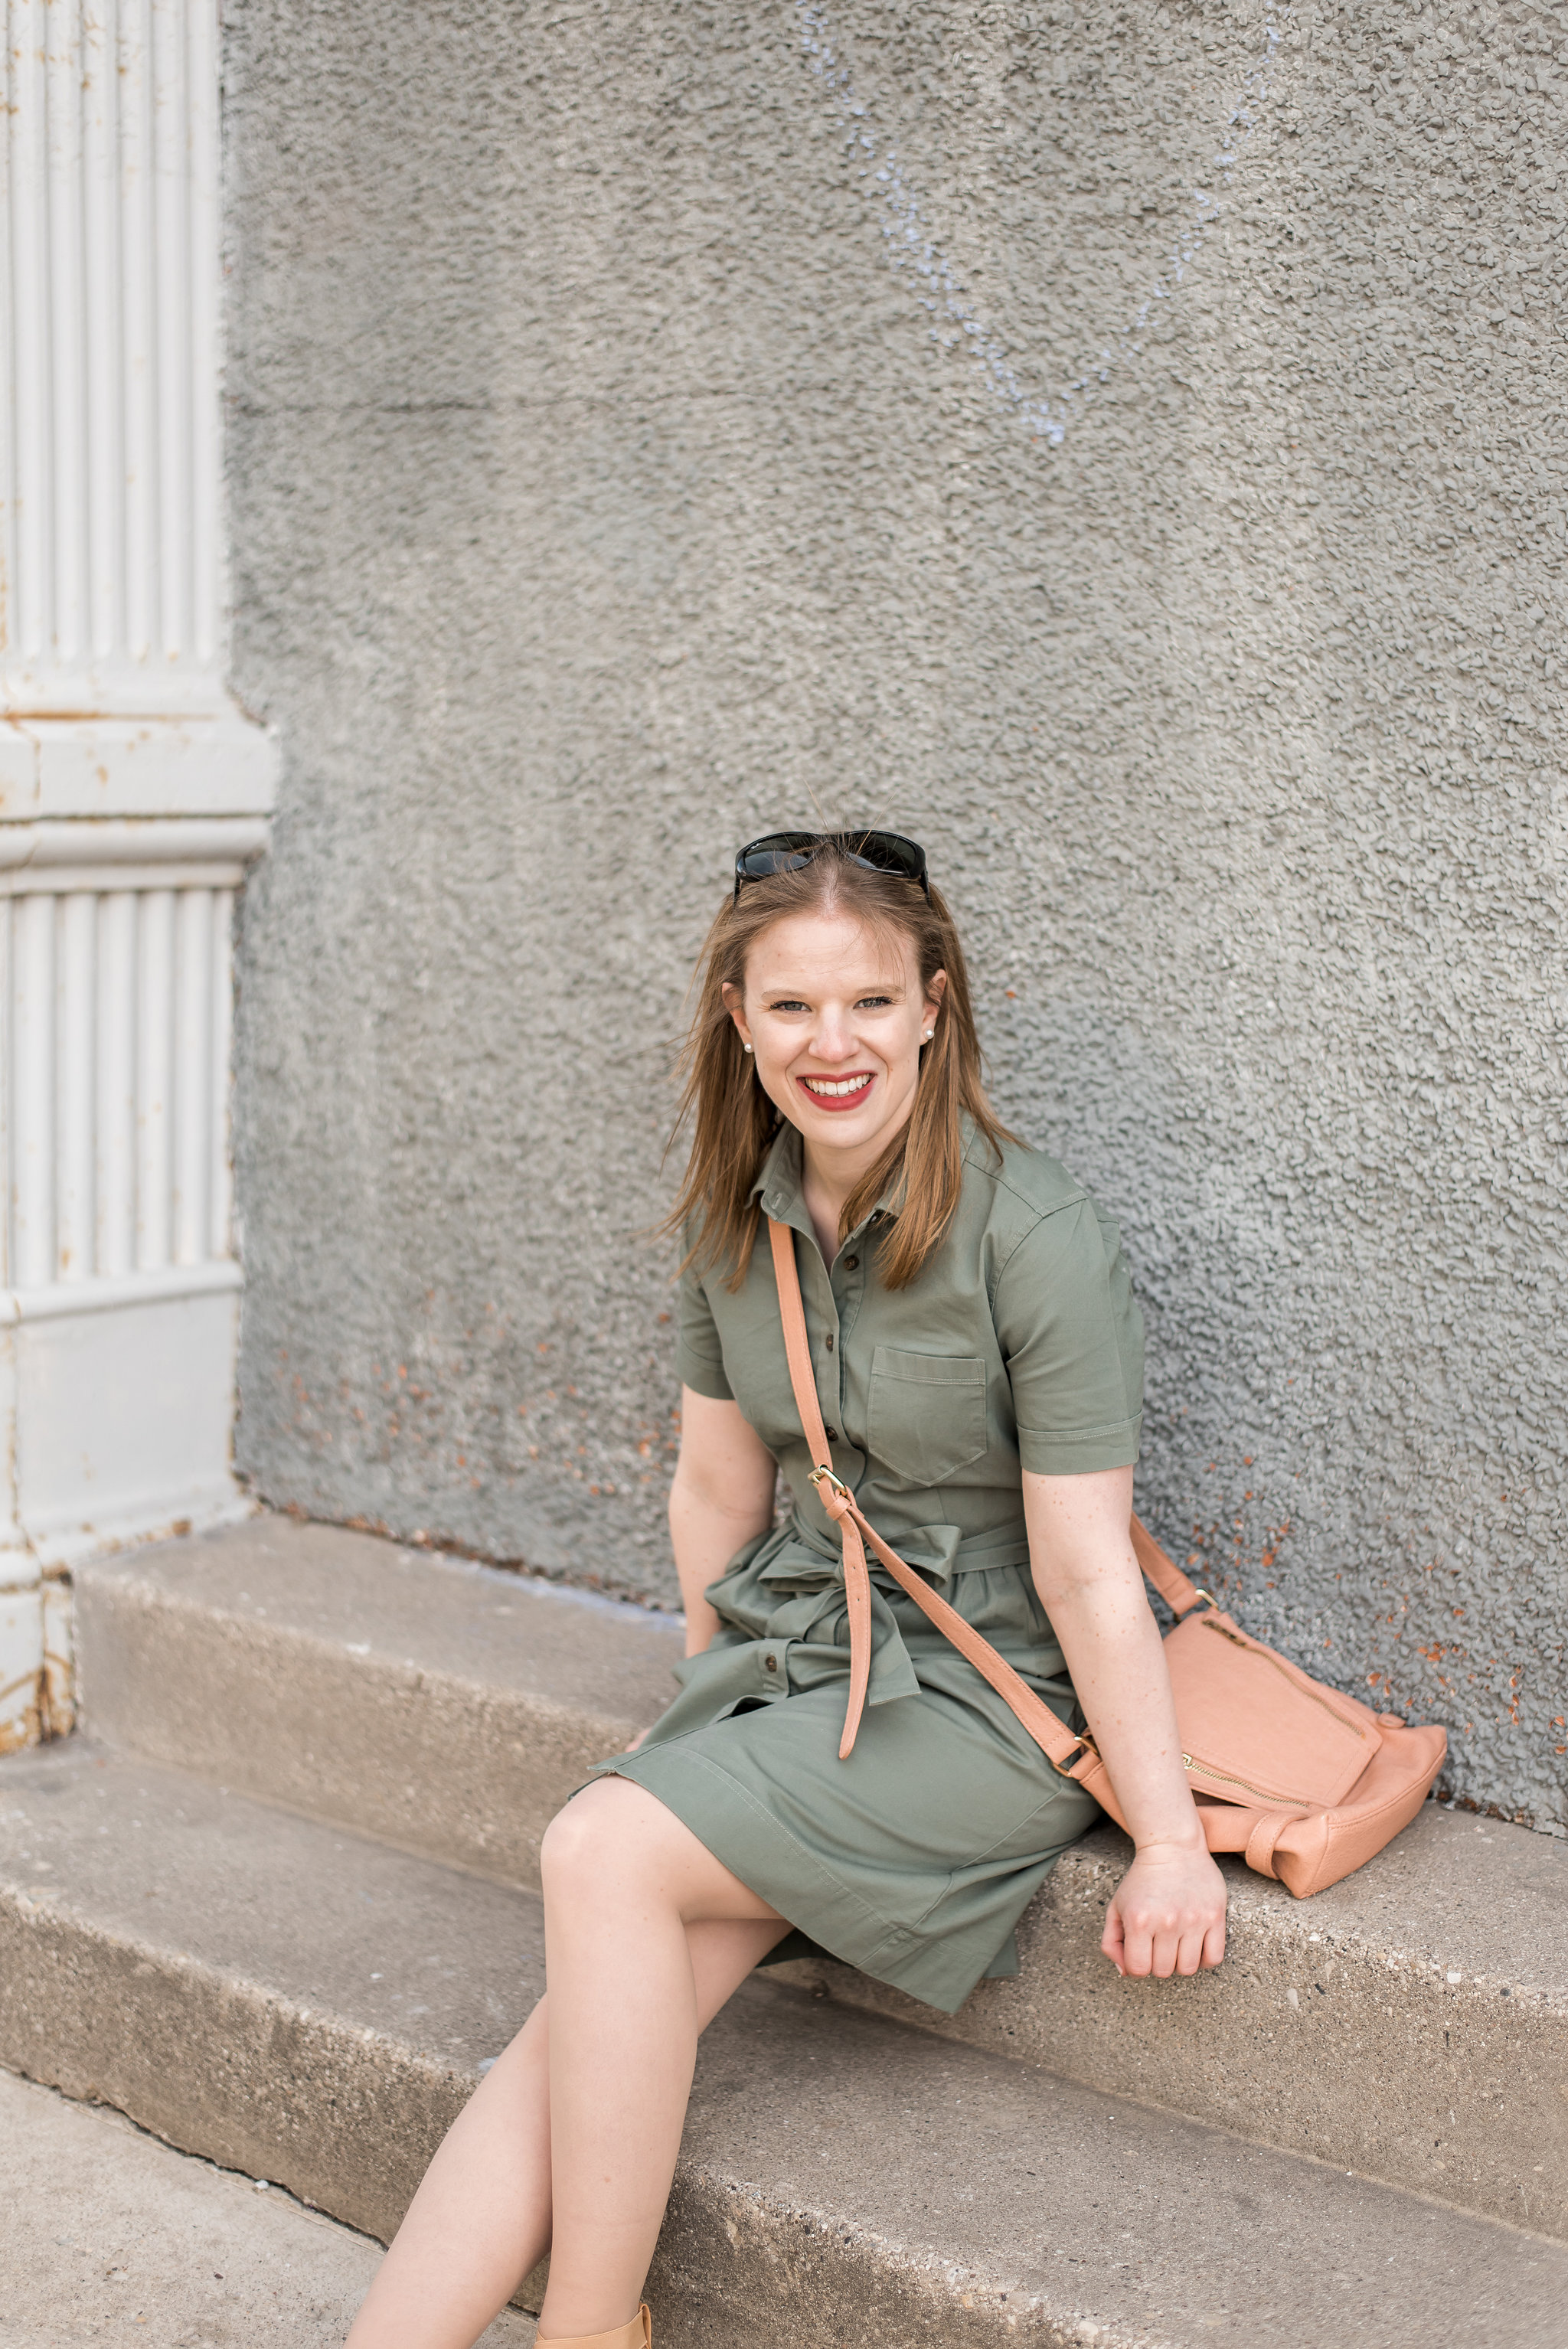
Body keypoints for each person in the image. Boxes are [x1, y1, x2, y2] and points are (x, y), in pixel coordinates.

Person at [344, 829, 1227, 2349]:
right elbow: (713, 1489)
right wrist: (711, 1727)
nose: (835, 1044)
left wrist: (1167, 1838)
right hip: (798, 1671)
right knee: (587, 2006)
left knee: (598, 1852)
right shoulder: (728, 1222)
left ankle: (589, 2332)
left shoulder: (1037, 1235)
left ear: (934, 1008)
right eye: (795, 1008)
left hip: (981, 1695)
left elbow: (1086, 1566)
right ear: (738, 1022)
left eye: (871, 1002)